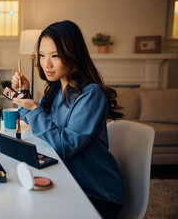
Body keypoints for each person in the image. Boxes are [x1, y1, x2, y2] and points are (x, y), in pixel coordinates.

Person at [11, 20, 124, 219]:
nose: (46, 64)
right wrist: (24, 94)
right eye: (42, 56)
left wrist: (35, 108)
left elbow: (65, 145)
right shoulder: (56, 88)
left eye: (55, 56)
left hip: (96, 194)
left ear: (73, 55)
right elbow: (35, 120)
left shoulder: (92, 95)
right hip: (69, 180)